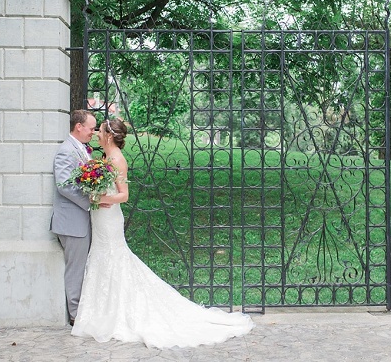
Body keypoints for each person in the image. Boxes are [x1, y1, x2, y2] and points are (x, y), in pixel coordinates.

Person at [71, 118, 254, 348]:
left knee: (113, 259)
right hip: (100, 219)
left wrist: (99, 198)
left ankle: (116, 314)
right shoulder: (105, 158)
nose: (97, 133)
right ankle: (101, 312)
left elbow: (123, 195)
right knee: (102, 258)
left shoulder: (117, 159)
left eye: (100, 130)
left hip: (109, 220)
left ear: (108, 135)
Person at [51, 109, 99, 326]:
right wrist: (91, 200)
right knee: (76, 267)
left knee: (83, 266)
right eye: (91, 127)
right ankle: (75, 314)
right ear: (78, 126)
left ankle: (82, 309)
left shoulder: (81, 149)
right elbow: (64, 185)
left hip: (81, 220)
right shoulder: (65, 151)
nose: (93, 131)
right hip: (72, 222)